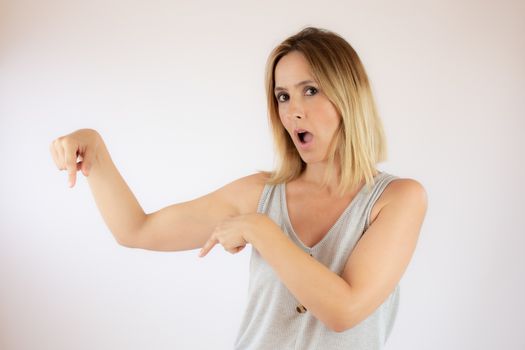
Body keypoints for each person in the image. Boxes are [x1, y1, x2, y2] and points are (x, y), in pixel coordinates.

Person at [49, 26, 427, 350]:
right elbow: (137, 229)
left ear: (349, 94)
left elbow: (344, 311)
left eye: (310, 90)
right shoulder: (260, 193)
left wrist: (260, 230)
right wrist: (95, 153)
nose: (293, 111)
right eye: (283, 96)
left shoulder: (397, 199)